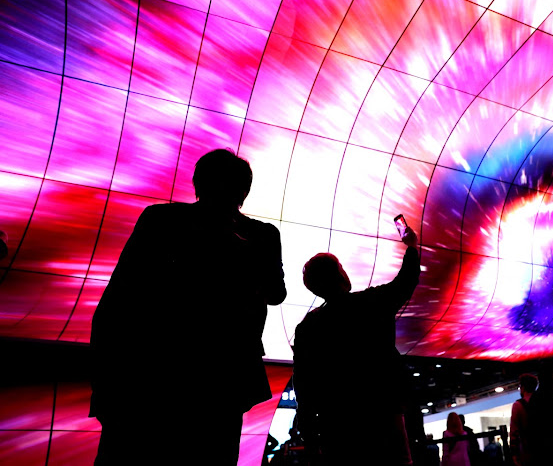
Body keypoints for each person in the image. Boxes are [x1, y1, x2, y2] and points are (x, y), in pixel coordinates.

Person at [89, 149, 286, 465]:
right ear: (244, 191)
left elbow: (119, 297)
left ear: (199, 183)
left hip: (151, 374)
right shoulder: (260, 235)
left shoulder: (161, 220)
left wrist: (103, 383)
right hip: (220, 378)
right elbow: (276, 293)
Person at [292, 223, 420, 466]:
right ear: (341, 275)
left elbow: (304, 384)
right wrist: (411, 245)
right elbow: (406, 280)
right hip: (383, 413)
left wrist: (309, 431)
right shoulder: (371, 303)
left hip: (337, 424)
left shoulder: (308, 327)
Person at [510, 373, 537, 466]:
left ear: (523, 387)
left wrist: (514, 454)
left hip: (528, 452)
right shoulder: (543, 402)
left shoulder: (518, 405)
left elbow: (514, 432)